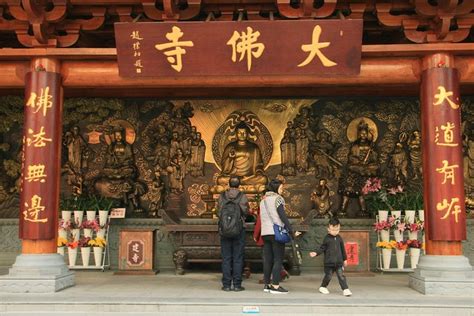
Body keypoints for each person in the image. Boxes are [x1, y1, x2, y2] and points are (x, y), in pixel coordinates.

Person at [259, 179, 293, 294]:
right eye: (281, 188)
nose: (282, 190)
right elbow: (282, 216)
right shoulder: (278, 199)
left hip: (265, 233)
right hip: (276, 232)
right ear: (276, 188)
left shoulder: (262, 200)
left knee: (268, 260)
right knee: (278, 259)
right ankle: (276, 286)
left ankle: (267, 284)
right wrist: (291, 230)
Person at [218, 176, 249, 292]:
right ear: (239, 184)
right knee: (238, 257)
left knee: (226, 257)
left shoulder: (222, 196)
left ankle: (226, 284)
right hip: (239, 229)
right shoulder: (242, 196)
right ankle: (237, 284)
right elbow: (245, 211)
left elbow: (219, 211)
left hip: (224, 229)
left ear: (228, 184)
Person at [309, 217, 352, 296]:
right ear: (328, 229)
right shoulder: (327, 239)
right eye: (333, 230)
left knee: (341, 276)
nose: (335, 232)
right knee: (328, 276)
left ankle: (345, 289)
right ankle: (323, 287)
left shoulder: (339, 238)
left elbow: (343, 249)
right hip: (329, 263)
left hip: (339, 262)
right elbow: (322, 248)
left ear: (339, 228)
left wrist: (345, 259)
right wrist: (316, 253)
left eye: (337, 229)